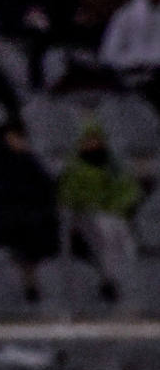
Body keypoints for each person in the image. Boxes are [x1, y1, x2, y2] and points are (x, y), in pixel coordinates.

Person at [0, 120, 59, 300]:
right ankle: (27, 282)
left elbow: (47, 190)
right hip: (3, 219)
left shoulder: (31, 162)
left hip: (32, 216)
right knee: (26, 226)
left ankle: (37, 281)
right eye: (15, 137)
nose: (20, 141)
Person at [58, 121, 140, 300]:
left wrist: (114, 205)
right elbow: (69, 195)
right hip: (85, 215)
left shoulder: (114, 166)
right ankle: (108, 280)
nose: (92, 144)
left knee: (124, 238)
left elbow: (128, 190)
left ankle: (125, 281)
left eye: (96, 140)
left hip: (113, 213)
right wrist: (90, 204)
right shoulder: (74, 168)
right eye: (88, 140)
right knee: (104, 234)